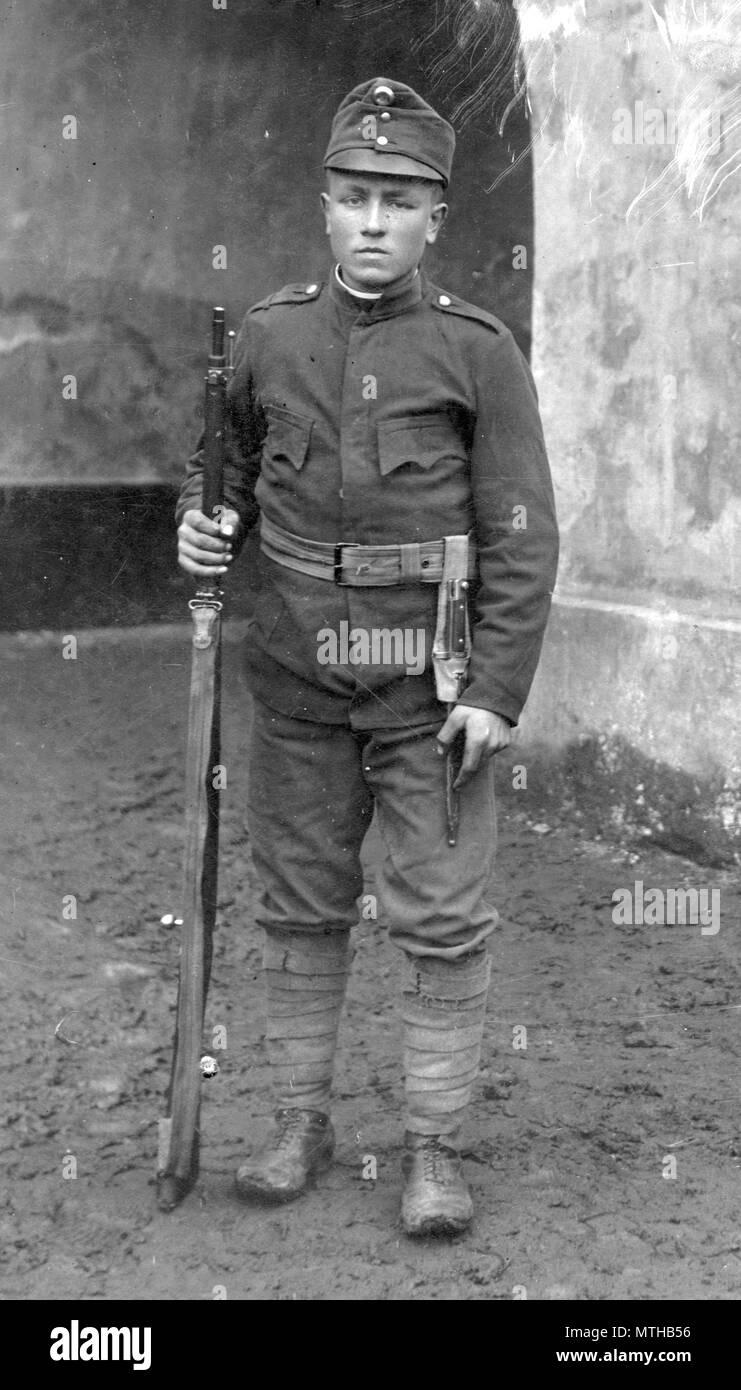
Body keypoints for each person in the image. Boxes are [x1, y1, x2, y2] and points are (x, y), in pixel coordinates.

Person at [176, 76, 559, 1237]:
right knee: (298, 905)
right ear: (326, 206)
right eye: (355, 197)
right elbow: (223, 483)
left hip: (424, 695)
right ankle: (301, 1121)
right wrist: (198, 526)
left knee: (440, 914)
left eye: (399, 200)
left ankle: (434, 1147)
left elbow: (522, 534)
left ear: (437, 215)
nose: (376, 221)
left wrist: (496, 689)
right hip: (295, 682)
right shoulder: (267, 338)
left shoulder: (476, 353)